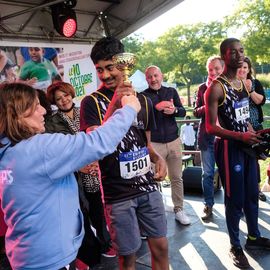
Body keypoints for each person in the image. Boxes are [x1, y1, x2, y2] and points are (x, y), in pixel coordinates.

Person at [0, 82, 140, 270]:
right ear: (16, 115)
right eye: (35, 106)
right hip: (50, 258)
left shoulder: (9, 150)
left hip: (25, 254)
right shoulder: (39, 149)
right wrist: (129, 108)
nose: (43, 110)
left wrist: (113, 107)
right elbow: (98, 141)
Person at [80, 37, 169, 270]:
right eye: (99, 70)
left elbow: (145, 144)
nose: (105, 75)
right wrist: (117, 103)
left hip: (147, 187)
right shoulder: (91, 103)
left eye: (110, 67)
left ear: (122, 64)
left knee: (161, 249)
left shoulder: (144, 101)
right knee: (128, 259)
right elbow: (95, 144)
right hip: (117, 194)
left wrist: (158, 159)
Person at [205, 37, 270, 269]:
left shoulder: (242, 83)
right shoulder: (216, 87)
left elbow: (243, 118)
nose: (240, 55)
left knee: (252, 194)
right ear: (224, 56)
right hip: (228, 148)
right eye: (234, 52)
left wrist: (256, 133)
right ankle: (235, 244)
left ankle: (254, 237)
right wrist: (240, 136)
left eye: (242, 51)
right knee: (235, 199)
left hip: (247, 147)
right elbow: (210, 127)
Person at [45, 82, 115, 262]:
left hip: (95, 168)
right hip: (73, 175)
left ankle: (106, 243)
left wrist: (95, 161)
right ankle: (88, 253)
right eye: (58, 99)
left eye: (65, 95)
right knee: (82, 213)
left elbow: (97, 137)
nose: (63, 100)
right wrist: (77, 165)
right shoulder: (51, 122)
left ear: (71, 94)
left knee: (99, 210)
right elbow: (58, 152)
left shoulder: (85, 110)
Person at [143, 65, 190, 226]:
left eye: (155, 75)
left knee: (177, 177)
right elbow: (141, 119)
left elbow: (183, 111)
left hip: (174, 141)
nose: (153, 79)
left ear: (161, 75)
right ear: (146, 79)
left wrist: (175, 110)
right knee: (155, 178)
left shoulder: (171, 92)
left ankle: (179, 209)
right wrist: (156, 108)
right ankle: (157, 210)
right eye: (150, 77)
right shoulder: (143, 96)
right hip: (154, 143)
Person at [193, 55, 224, 220]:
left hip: (225, 138)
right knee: (207, 174)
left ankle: (233, 206)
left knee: (227, 173)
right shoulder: (201, 88)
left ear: (223, 69)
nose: (213, 72)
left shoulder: (229, 86)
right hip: (207, 138)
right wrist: (208, 104)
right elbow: (195, 111)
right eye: (210, 69)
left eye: (217, 69)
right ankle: (208, 205)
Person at [237, 56, 267, 202]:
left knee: (255, 159)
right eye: (240, 67)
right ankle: (244, 190)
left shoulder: (255, 83)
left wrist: (249, 90)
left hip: (256, 127)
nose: (242, 70)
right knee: (242, 160)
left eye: (245, 67)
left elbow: (261, 101)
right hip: (240, 129)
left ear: (249, 69)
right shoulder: (231, 84)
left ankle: (256, 189)